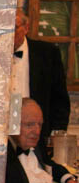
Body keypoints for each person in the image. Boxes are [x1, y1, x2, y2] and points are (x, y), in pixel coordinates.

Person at [12, 8, 70, 150]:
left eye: (14, 28)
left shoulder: (47, 54)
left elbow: (60, 99)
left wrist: (55, 136)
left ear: (26, 28)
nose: (8, 33)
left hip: (37, 137)